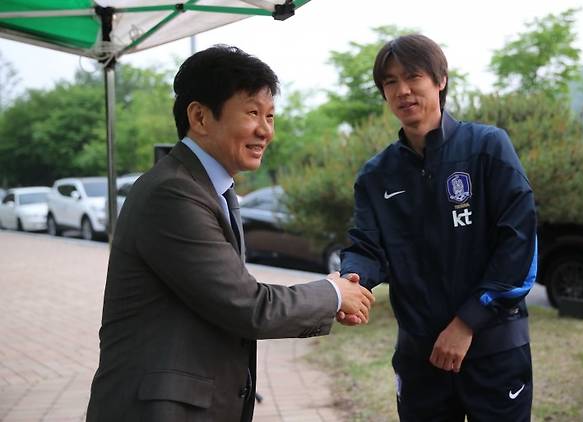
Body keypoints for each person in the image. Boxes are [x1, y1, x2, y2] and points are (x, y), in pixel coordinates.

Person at [86, 45, 374, 422]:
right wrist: (334, 294)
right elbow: (247, 305)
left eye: (271, 116)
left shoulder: (212, 189)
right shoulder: (172, 192)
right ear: (200, 117)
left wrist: (334, 296)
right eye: (253, 113)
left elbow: (226, 293)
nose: (266, 130)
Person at [339, 34, 537, 421]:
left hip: (493, 349)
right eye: (390, 82)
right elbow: (367, 246)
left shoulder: (488, 147)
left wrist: (466, 324)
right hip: (420, 357)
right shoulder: (376, 175)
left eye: (413, 76)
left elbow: (519, 246)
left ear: (440, 80)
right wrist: (351, 280)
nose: (403, 90)